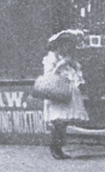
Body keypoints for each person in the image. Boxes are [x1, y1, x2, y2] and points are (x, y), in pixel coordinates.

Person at [42, 31, 89, 160]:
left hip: (67, 92)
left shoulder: (69, 58)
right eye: (64, 45)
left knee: (64, 121)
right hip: (57, 91)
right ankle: (55, 148)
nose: (66, 47)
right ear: (58, 46)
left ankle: (59, 148)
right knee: (59, 121)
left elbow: (77, 74)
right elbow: (49, 76)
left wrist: (72, 65)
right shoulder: (51, 58)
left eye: (68, 45)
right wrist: (61, 64)